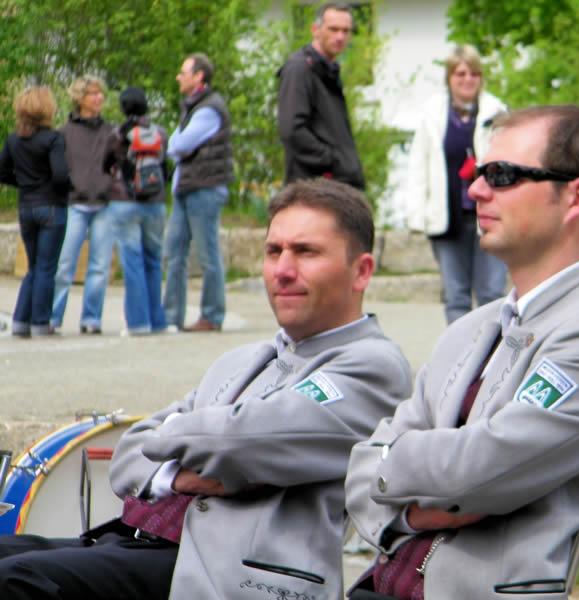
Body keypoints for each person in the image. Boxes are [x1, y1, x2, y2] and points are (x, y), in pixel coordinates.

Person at [0, 177, 413, 600]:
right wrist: (180, 474)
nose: (283, 270)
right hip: (136, 542)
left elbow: (241, 440)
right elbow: (128, 453)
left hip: (222, 574)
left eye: (306, 252)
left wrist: (179, 436)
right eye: (274, 251)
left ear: (361, 271)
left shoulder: (373, 366)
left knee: (14, 581)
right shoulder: (243, 359)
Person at [344, 105, 579, 599]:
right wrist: (412, 511)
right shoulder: (471, 329)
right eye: (477, 173)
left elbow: (476, 471)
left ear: (577, 197)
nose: (475, 190)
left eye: (502, 175)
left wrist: (390, 463)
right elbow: (359, 470)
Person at [406, 44, 508, 324]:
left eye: (474, 74)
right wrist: (416, 215)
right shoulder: (431, 114)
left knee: (492, 293)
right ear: (449, 77)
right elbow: (418, 165)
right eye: (460, 74)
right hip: (447, 218)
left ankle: (493, 350)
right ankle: (461, 350)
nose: (467, 80)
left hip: (490, 216)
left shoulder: (497, 111)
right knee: (456, 297)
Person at [163, 53, 234, 332]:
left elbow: (179, 145)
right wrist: (176, 143)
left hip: (205, 188)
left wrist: (175, 144)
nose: (178, 77)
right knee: (174, 252)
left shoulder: (209, 109)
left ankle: (212, 316)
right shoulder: (193, 107)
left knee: (207, 254)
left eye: (183, 73)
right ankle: (171, 317)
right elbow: (176, 142)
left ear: (198, 76)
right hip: (187, 186)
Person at [0, 87, 70, 337]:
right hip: (51, 206)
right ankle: (41, 322)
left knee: (33, 266)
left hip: (26, 207)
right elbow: (60, 175)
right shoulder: (53, 139)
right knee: (46, 267)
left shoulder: (14, 139)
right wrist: (65, 188)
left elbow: (2, 171)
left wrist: (24, 183)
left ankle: (21, 321)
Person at [51, 75, 118, 334]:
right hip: (74, 204)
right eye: (93, 93)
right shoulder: (63, 133)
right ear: (80, 98)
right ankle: (53, 318)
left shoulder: (111, 131)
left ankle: (92, 319)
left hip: (104, 205)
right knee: (64, 264)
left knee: (100, 267)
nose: (99, 97)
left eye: (101, 93)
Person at [103, 86, 169, 336]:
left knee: (132, 263)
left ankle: (138, 324)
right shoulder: (159, 133)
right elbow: (165, 165)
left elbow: (105, 164)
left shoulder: (117, 135)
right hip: (155, 202)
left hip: (125, 202)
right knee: (153, 261)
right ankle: (157, 322)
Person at [277, 2, 365, 189]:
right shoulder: (299, 68)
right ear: (315, 30)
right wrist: (333, 162)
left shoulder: (327, 70)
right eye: (333, 29)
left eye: (346, 31)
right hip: (315, 189)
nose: (340, 37)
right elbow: (292, 131)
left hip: (336, 186)